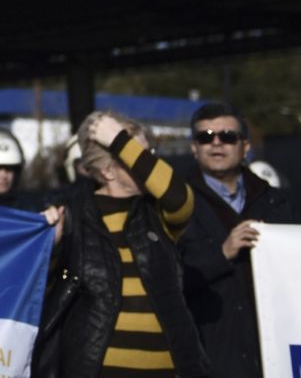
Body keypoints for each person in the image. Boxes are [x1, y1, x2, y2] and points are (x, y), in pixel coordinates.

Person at [45, 111, 206, 378]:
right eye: (135, 156)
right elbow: (43, 289)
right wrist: (49, 246)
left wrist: (118, 140)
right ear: (108, 171)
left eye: (146, 153)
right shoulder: (74, 217)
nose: (147, 163)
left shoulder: (159, 213)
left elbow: (180, 197)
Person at [178, 103, 291, 378]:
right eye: (205, 137)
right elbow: (168, 279)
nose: (216, 144)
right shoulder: (176, 205)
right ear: (194, 147)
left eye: (227, 136)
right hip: (210, 355)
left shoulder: (277, 202)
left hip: (272, 353)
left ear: (245, 146)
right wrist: (222, 253)